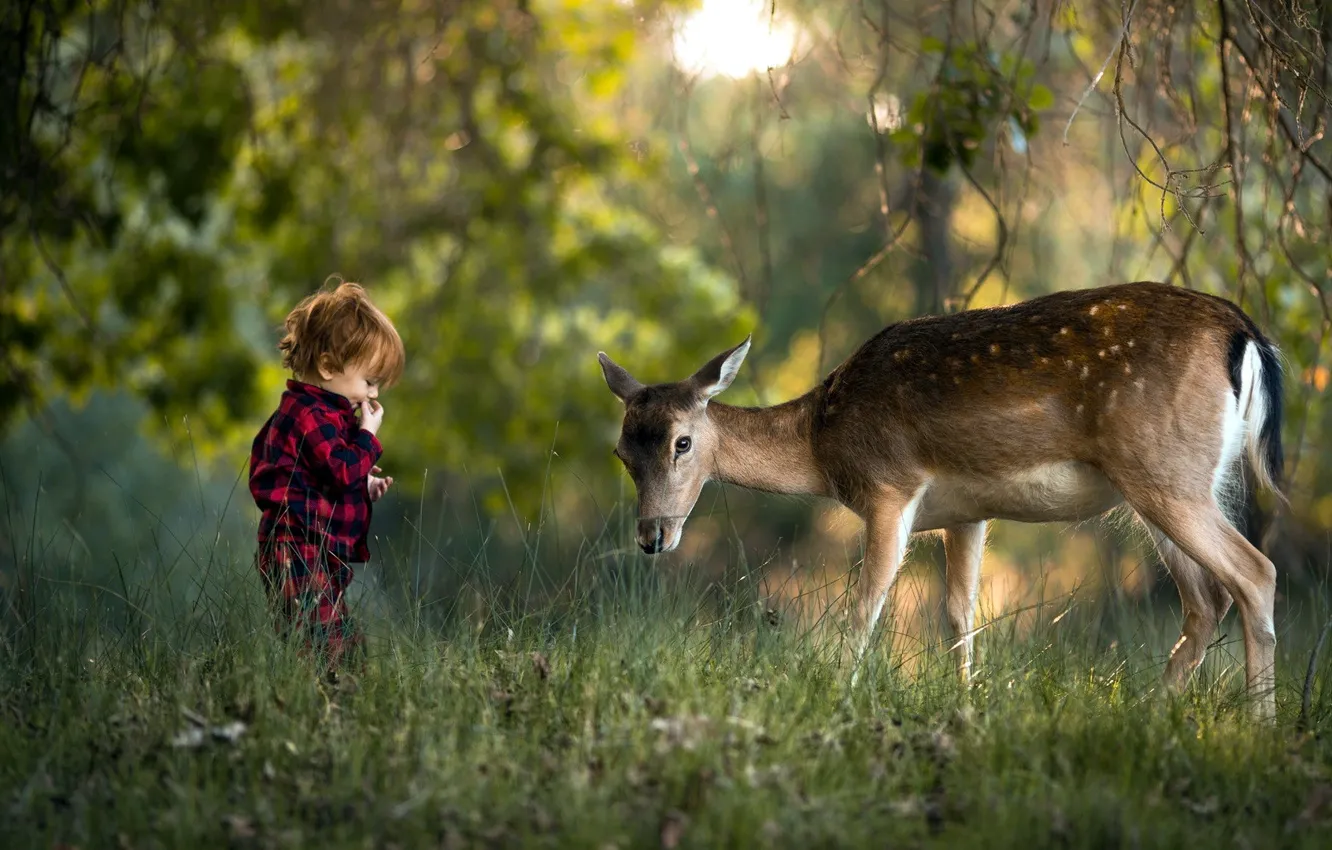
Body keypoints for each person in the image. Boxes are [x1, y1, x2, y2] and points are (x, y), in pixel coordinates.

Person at [248, 276, 405, 672]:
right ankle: (326, 707)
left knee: (338, 638)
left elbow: (325, 477)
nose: (373, 395)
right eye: (369, 381)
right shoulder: (309, 415)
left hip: (318, 549)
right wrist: (367, 439)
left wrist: (363, 486)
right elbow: (339, 468)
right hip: (296, 547)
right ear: (328, 366)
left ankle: (337, 705)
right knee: (322, 642)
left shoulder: (327, 417)